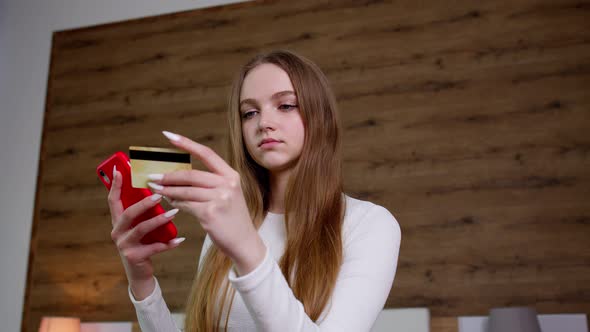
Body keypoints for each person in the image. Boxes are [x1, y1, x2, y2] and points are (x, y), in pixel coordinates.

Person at [107, 50, 401, 332]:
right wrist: (142, 282)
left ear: (320, 116)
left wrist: (246, 244)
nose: (264, 123)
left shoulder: (371, 225)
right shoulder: (228, 225)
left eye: (285, 106)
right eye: (249, 113)